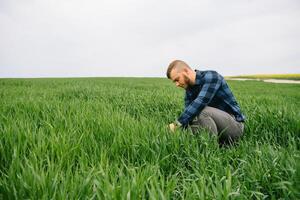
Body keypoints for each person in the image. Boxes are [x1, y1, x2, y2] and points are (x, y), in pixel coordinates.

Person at [166, 60, 246, 145]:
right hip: (218, 129)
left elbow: (200, 102)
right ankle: (207, 146)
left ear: (186, 71)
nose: (177, 84)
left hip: (234, 127)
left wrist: (176, 125)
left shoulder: (212, 77)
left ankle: (210, 150)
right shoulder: (189, 90)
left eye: (177, 79)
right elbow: (188, 116)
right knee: (191, 123)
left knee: (201, 110)